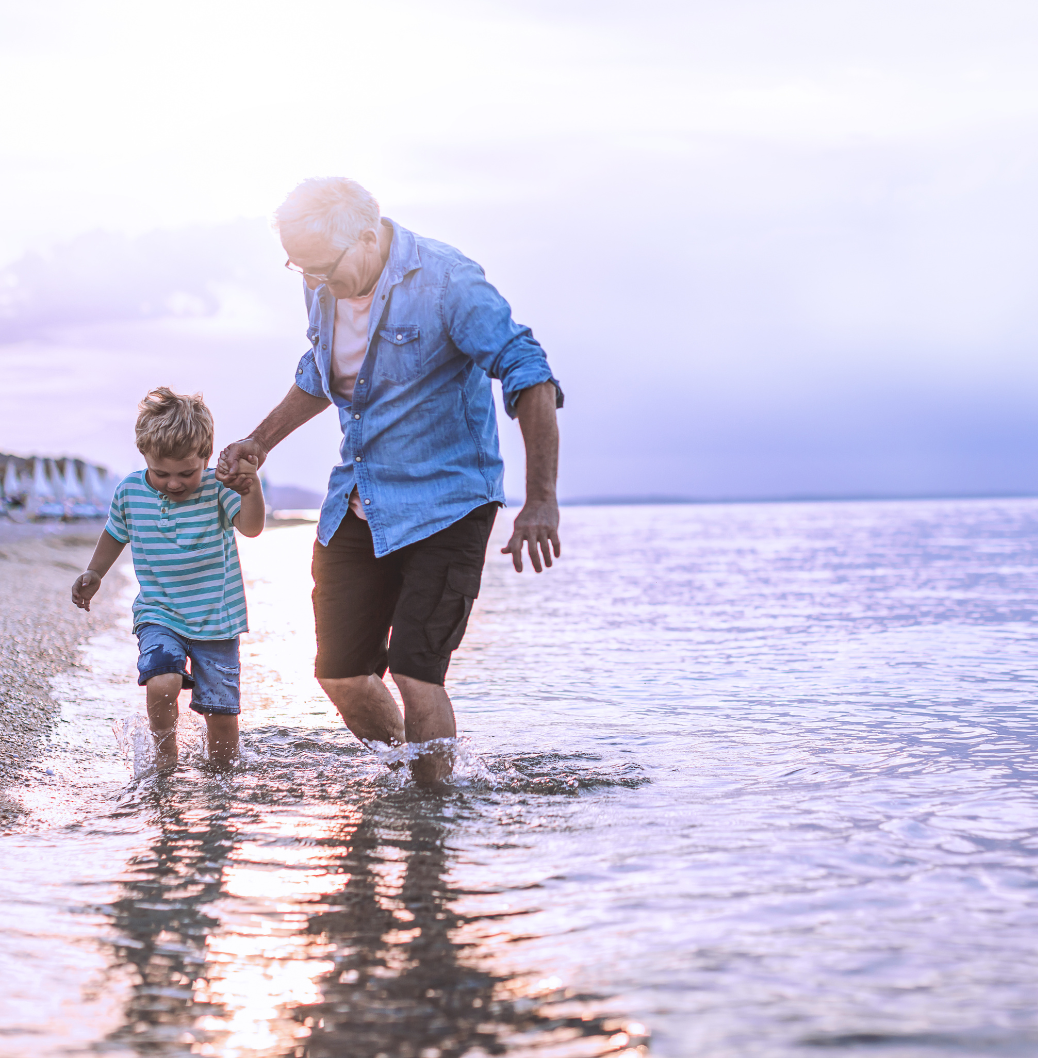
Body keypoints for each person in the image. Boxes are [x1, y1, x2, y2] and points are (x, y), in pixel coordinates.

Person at [217, 177, 562, 784]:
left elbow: (528, 372)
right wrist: (259, 442)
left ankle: (428, 830)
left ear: (368, 236)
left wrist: (540, 501)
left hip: (449, 500)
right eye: (302, 269)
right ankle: (423, 777)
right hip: (360, 496)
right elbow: (319, 369)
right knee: (340, 673)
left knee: (416, 669)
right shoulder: (320, 285)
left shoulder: (449, 283)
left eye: (323, 267)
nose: (316, 282)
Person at [71, 387, 266, 770]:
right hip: (159, 613)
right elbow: (115, 533)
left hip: (217, 621)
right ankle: (165, 762)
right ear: (144, 455)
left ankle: (221, 786)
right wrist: (95, 571)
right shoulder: (130, 491)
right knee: (161, 682)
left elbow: (252, 527)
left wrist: (251, 487)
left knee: (222, 718)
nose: (173, 484)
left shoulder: (217, 488)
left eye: (186, 473)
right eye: (161, 473)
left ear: (206, 457)